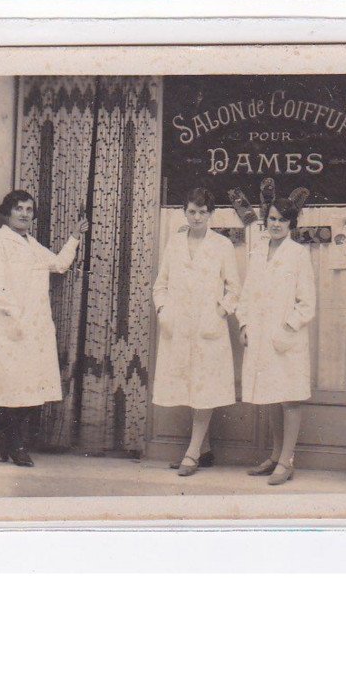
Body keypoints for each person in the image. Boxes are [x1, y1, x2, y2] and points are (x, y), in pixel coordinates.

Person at [0, 190, 89, 466]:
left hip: (36, 328)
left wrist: (75, 236)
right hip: (11, 327)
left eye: (29, 209)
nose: (24, 214)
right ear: (8, 211)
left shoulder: (31, 244)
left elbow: (59, 264)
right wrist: (18, 315)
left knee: (33, 389)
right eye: (19, 208)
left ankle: (10, 442)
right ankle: (14, 445)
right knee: (11, 388)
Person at [152, 187, 241, 476]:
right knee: (189, 387)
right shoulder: (175, 243)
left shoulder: (222, 245)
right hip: (179, 329)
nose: (197, 217)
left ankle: (191, 452)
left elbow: (235, 289)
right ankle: (204, 449)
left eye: (203, 212)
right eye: (192, 211)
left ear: (211, 214)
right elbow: (160, 285)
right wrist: (164, 311)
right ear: (184, 212)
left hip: (208, 328)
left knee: (204, 387)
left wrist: (219, 313)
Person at [237, 198, 317, 485]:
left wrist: (286, 328)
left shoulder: (298, 254)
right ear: (265, 220)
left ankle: (287, 460)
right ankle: (274, 456)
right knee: (271, 396)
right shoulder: (258, 253)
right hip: (260, 338)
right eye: (272, 219)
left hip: (286, 339)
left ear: (291, 224)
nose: (276, 224)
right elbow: (246, 295)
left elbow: (307, 304)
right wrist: (244, 324)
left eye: (282, 220)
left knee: (290, 398)